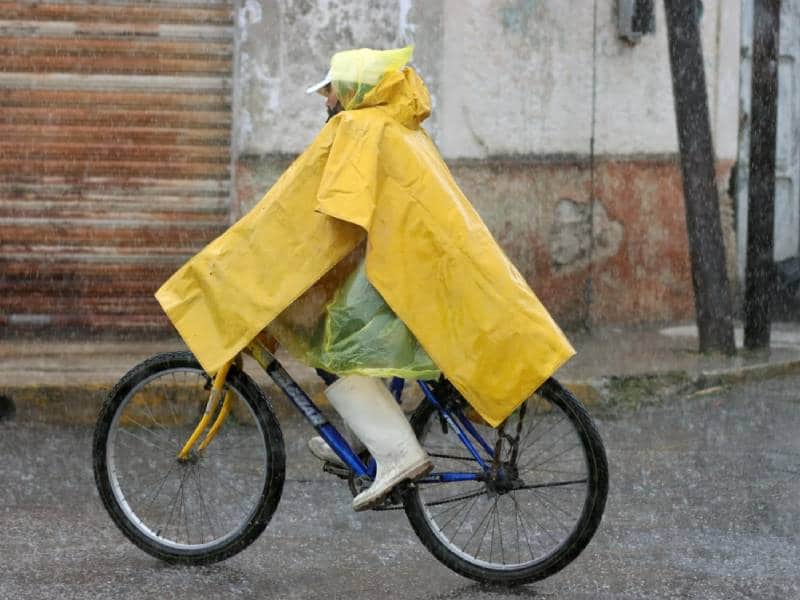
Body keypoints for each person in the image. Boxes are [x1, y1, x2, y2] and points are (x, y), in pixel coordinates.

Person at [155, 45, 575, 513]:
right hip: (416, 268)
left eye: (330, 90)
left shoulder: (357, 128)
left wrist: (249, 260)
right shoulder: (396, 125)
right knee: (344, 336)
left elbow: (312, 216)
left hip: (397, 271)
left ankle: (396, 454)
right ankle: (365, 443)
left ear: (352, 90)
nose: (325, 101)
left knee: (329, 339)